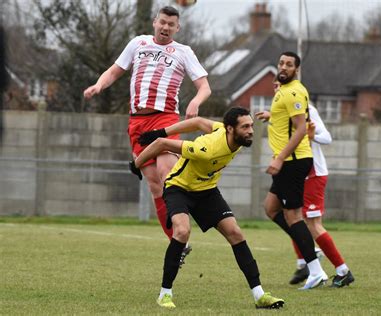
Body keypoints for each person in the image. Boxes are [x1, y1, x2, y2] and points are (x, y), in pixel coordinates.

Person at [83, 6, 211, 264]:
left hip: (165, 119)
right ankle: (176, 242)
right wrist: (99, 84)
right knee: (154, 185)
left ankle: (183, 227)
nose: (165, 28)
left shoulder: (183, 52)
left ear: (178, 28)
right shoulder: (137, 43)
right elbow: (114, 71)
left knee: (168, 175)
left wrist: (196, 102)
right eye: (162, 22)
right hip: (137, 122)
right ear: (155, 22)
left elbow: (205, 86)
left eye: (171, 24)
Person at [129, 107, 285, 309]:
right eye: (245, 126)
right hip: (179, 188)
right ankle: (165, 294)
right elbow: (161, 145)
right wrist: (136, 164)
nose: (251, 131)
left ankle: (259, 296)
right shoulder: (207, 148)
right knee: (182, 231)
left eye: (251, 126)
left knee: (235, 233)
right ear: (231, 129)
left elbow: (198, 122)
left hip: (207, 191)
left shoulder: (230, 135)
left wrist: (162, 130)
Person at [255, 51, 327, 290]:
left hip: (293, 162)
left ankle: (315, 269)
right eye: (281, 63)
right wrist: (272, 115)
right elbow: (286, 118)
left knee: (294, 217)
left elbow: (300, 129)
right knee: (271, 208)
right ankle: (307, 245)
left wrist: (280, 159)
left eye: (289, 64)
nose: (283, 67)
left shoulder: (294, 91)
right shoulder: (283, 92)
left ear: (296, 69)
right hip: (287, 161)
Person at [288, 103, 355, 287]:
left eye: (280, 85)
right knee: (289, 215)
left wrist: (313, 136)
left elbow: (327, 138)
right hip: (295, 174)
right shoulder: (279, 111)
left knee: (313, 224)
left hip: (313, 174)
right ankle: (304, 262)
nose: (278, 89)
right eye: (276, 86)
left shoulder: (307, 109)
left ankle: (343, 271)